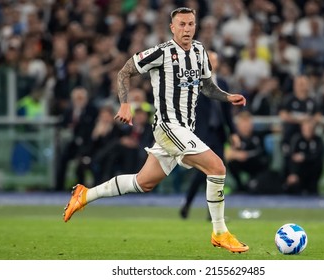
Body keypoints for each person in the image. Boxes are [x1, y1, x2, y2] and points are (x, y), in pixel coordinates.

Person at [63, 7, 249, 253]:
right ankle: (220, 232)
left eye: (190, 24)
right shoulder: (161, 53)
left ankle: (85, 195)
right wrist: (125, 104)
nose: (186, 29)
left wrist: (227, 97)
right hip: (167, 127)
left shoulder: (200, 51)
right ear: (172, 27)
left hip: (185, 130)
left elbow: (206, 86)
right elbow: (124, 71)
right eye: (181, 24)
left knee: (143, 183)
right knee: (217, 167)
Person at [179, 50, 240, 219]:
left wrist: (233, 133)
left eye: (214, 59)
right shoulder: (193, 83)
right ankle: (190, 204)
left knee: (217, 171)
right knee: (203, 172)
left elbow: (227, 112)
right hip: (201, 134)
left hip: (218, 133)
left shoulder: (223, 83)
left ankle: (208, 212)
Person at [225, 110, 270, 194]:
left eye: (248, 123)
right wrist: (237, 155)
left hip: (258, 165)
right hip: (242, 164)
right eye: (243, 124)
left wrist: (247, 155)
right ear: (238, 125)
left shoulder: (258, 135)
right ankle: (240, 186)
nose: (246, 127)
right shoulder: (234, 138)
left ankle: (253, 184)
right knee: (232, 163)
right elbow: (226, 154)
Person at [284, 119, 324, 195]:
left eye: (310, 128)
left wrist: (305, 157)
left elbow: (318, 156)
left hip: (313, 172)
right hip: (299, 173)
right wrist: (292, 173)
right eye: (306, 128)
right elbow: (291, 157)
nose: (308, 131)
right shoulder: (296, 140)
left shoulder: (318, 141)